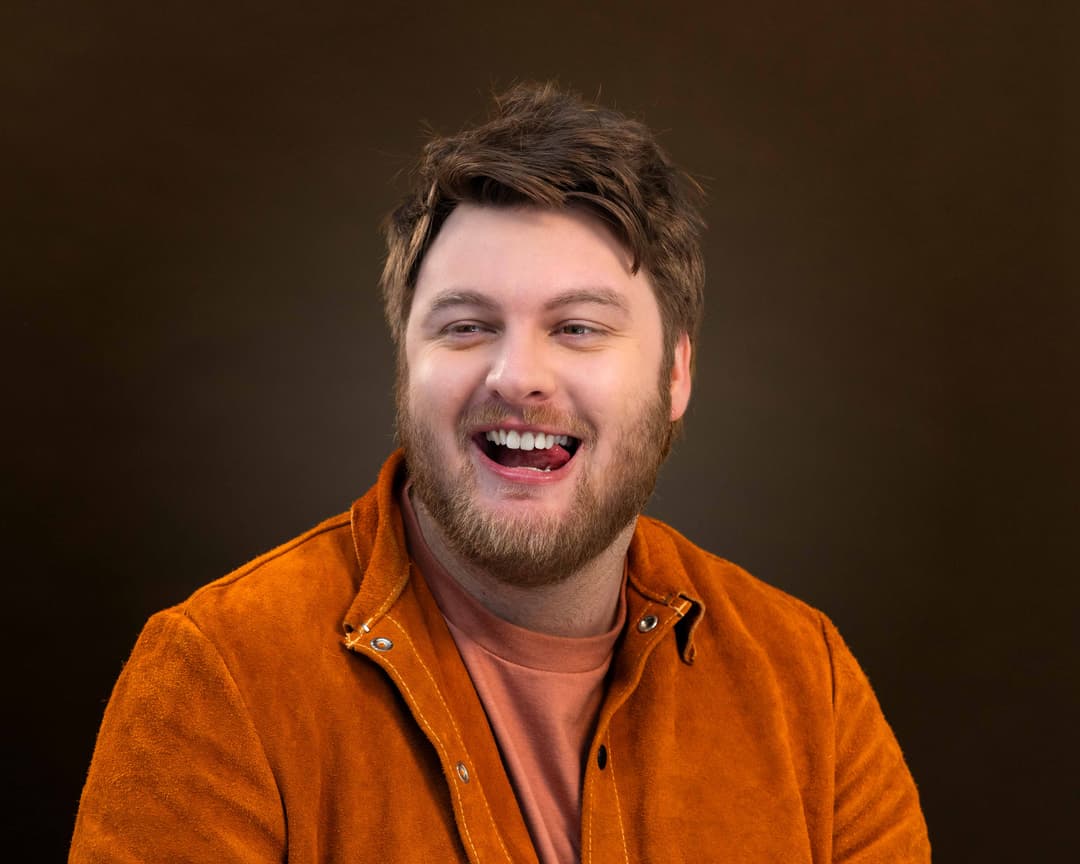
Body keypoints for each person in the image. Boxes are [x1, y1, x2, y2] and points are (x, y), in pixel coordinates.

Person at [70, 82, 930, 863]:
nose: (517, 376)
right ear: (406, 364)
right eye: (467, 326)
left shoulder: (805, 682)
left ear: (675, 375)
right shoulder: (219, 676)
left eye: (579, 327)